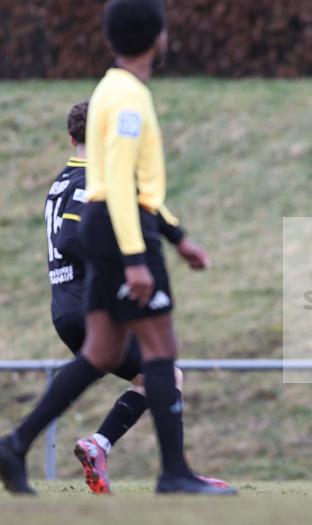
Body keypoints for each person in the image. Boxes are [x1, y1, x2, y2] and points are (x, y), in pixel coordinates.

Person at [0, 0, 235, 495]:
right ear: (160, 37)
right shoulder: (130, 98)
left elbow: (114, 180)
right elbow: (123, 187)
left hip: (109, 230)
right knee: (161, 354)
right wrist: (137, 257)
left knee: (99, 354)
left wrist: (178, 236)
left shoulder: (106, 89)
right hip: (124, 234)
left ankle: (15, 444)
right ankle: (174, 473)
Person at [42, 101, 228, 494]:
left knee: (154, 375)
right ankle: (165, 469)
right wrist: (123, 271)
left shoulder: (60, 182)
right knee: (166, 373)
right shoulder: (92, 180)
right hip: (86, 303)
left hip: (63, 306)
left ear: (70, 136)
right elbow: (71, 239)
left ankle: (96, 446)